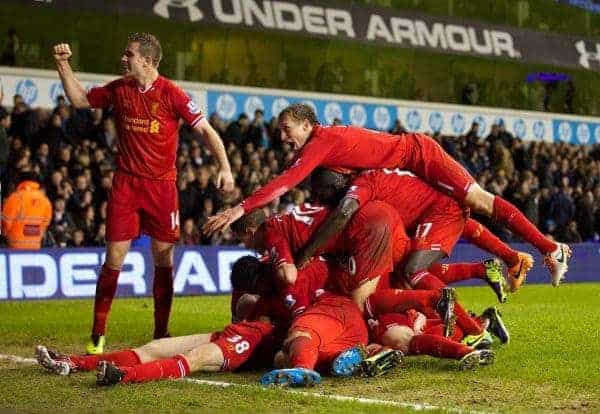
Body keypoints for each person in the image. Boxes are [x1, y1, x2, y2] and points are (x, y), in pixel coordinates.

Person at [203, 103, 570, 287]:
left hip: (419, 155)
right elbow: (289, 177)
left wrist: (241, 207)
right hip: (401, 174)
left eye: (287, 130)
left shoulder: (321, 140)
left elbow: (286, 181)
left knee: (477, 201)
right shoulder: (315, 148)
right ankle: (512, 258)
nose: (283, 137)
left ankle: (549, 249)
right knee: (453, 212)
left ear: (306, 125)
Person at [52, 33, 234, 354]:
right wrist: (62, 64)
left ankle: (161, 333)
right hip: (126, 185)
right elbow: (80, 99)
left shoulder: (172, 94)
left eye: (130, 54)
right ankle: (97, 335)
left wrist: (225, 167)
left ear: (148, 61)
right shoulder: (119, 89)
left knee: (164, 258)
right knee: (114, 259)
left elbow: (207, 130)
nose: (124, 59)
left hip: (162, 188)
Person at [1, 171, 52, 249]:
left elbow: (5, 223)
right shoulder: (45, 200)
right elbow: (45, 224)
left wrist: (4, 236)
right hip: (35, 246)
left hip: (14, 246)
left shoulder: (15, 198)